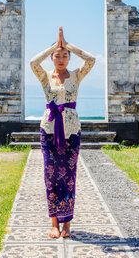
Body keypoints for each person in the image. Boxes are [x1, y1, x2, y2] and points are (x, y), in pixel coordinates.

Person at [30, 26, 96, 238]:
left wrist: (67, 45)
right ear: (51, 58)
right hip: (48, 129)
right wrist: (53, 46)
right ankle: (54, 223)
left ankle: (67, 224)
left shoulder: (76, 75)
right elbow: (33, 62)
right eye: (57, 55)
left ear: (69, 57)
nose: (61, 59)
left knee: (68, 175)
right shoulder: (45, 76)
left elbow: (91, 60)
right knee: (50, 176)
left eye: (64, 55)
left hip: (72, 131)